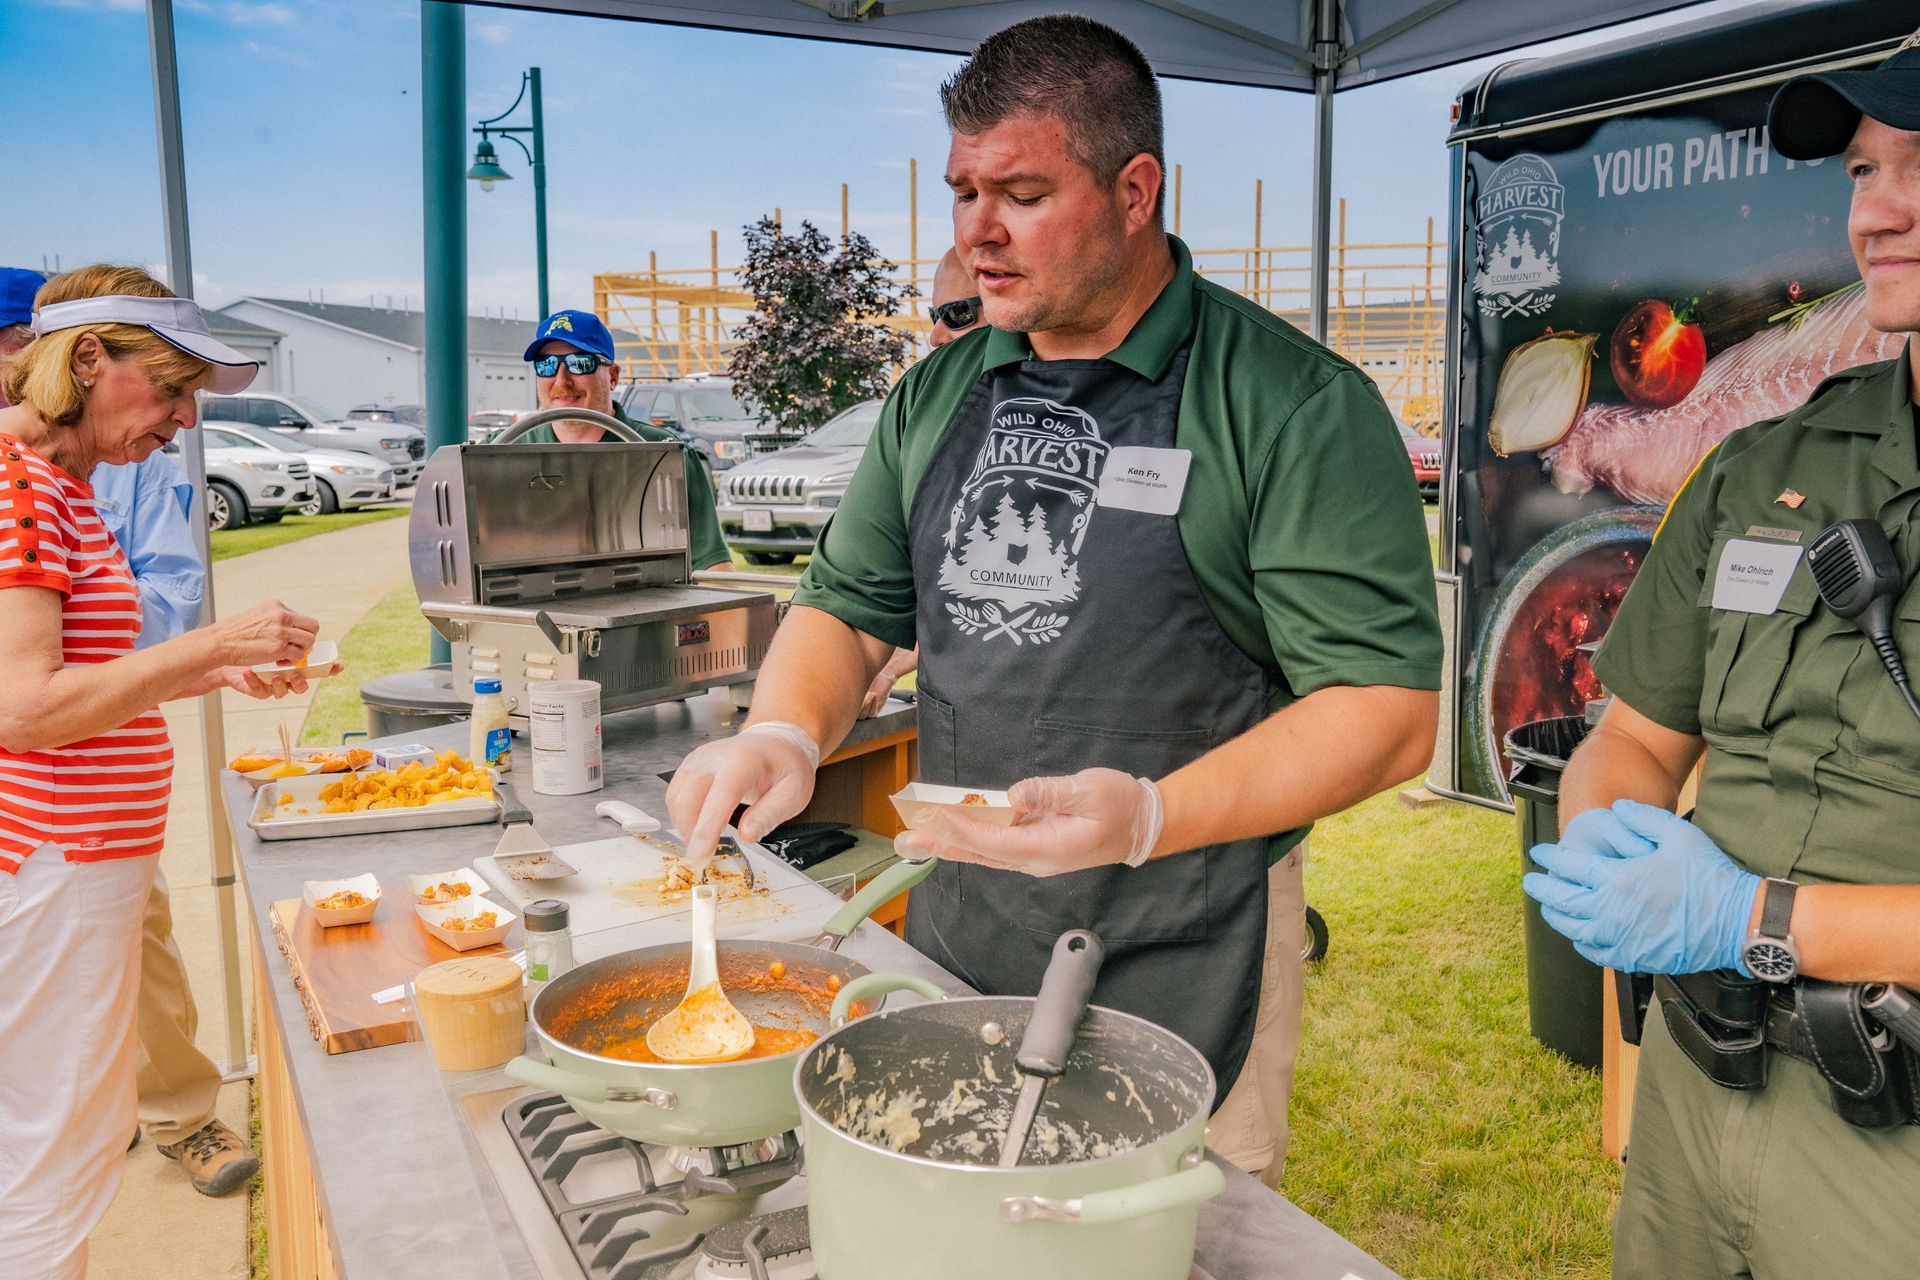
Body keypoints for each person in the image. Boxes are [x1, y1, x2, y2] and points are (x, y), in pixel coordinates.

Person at [667, 15, 1439, 1184]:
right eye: (965, 189)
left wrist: (1147, 813)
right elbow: (848, 603)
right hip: (964, 924)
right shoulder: (940, 391)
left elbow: (1384, 707)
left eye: (1022, 193)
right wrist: (783, 727)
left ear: (1136, 191)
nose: (977, 231)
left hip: (1191, 929)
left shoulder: (1290, 405)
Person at [1524, 32, 1920, 1277]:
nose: (1883, 210)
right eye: (1865, 172)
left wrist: (1755, 915)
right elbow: (1636, 736)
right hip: (1700, 1093)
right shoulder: (1768, 462)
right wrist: (1602, 826)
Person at [0, 263, 319, 1279]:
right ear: (87, 358)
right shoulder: (21, 484)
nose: (182, 420)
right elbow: (27, 708)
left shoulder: (65, 485)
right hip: (59, 864)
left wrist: (218, 665)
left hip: (79, 861)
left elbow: (90, 680)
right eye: (172, 387)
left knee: (63, 1131)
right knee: (55, 1150)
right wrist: (206, 644)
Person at [858, 249, 982, 718]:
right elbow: (862, 589)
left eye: (957, 314)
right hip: (956, 734)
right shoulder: (923, 415)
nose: (935, 336)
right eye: (936, 316)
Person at [512, 309, 731, 572]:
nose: (561, 380)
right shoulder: (502, 454)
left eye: (579, 363)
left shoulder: (664, 454)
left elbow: (713, 570)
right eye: (546, 365)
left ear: (613, 376)